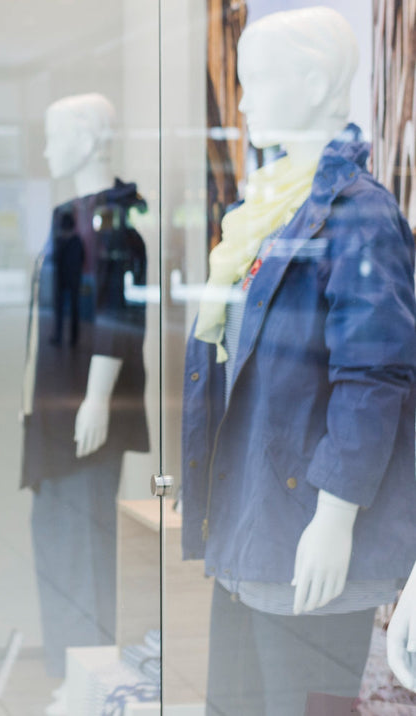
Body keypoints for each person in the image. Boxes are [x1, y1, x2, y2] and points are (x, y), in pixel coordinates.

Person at [180, 7, 416, 713]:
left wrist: (335, 517)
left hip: (308, 535)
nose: (244, 101)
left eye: (258, 82)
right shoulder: (272, 211)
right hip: (255, 521)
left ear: (313, 84)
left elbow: (375, 378)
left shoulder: (359, 215)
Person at [22, 93, 149, 716]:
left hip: (85, 414)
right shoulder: (70, 217)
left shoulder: (114, 224)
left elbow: (121, 314)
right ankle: (72, 674)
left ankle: (90, 680)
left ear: (91, 138)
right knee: (56, 540)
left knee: (84, 546)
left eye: (55, 134)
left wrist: (97, 399)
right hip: (56, 408)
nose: (46, 149)